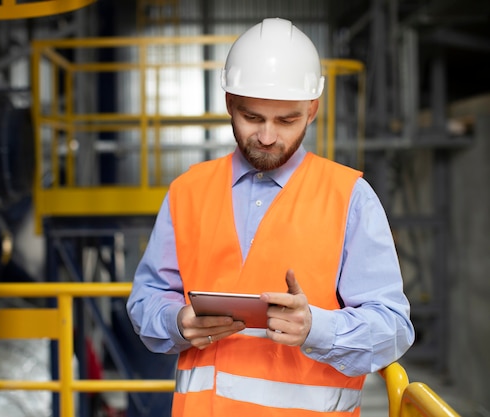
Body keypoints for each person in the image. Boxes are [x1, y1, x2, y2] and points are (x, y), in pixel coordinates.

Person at [126, 17, 415, 417]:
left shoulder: (350, 198)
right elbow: (145, 301)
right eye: (252, 117)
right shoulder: (187, 191)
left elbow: (393, 329)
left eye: (286, 120)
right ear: (229, 102)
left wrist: (317, 329)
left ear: (312, 110)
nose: (266, 136)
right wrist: (177, 322)